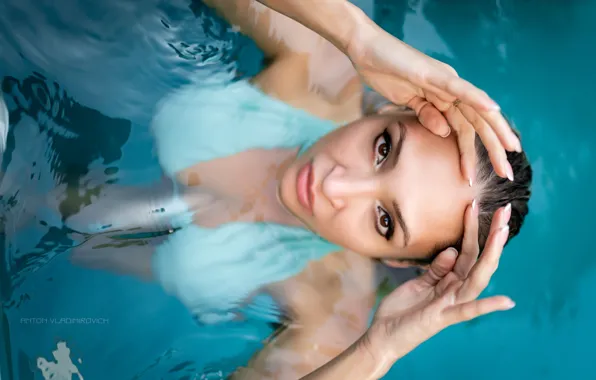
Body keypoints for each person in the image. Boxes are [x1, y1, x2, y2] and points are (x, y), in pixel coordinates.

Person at [66, 0, 532, 378]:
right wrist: (358, 37)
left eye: (385, 221)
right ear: (395, 107)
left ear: (395, 261)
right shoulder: (322, 55)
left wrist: (378, 349)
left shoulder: (331, 313)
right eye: (383, 149)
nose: (337, 184)